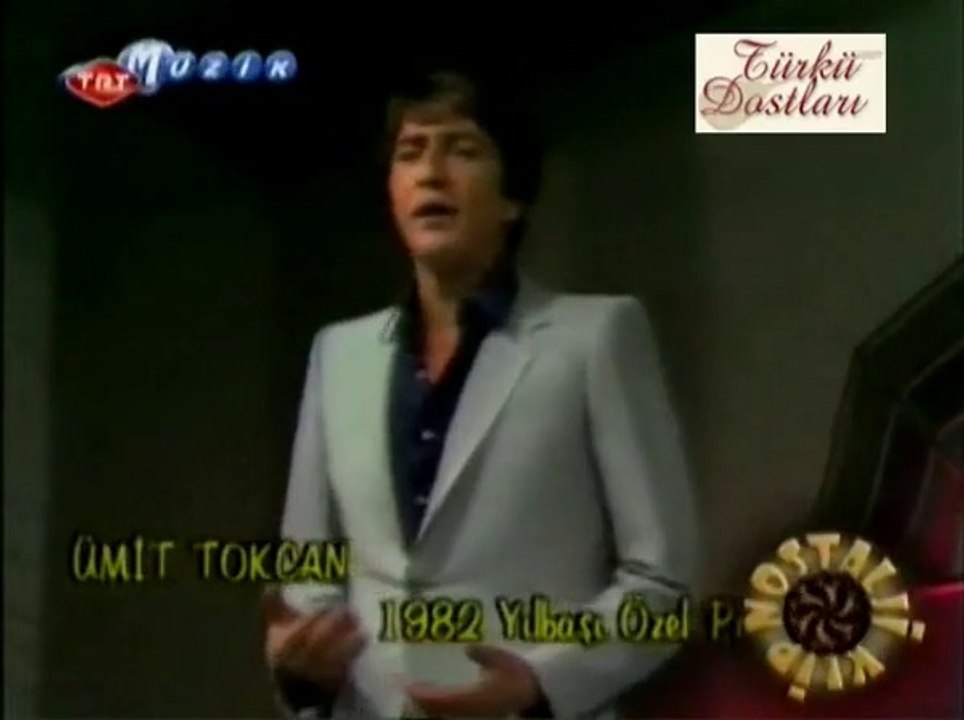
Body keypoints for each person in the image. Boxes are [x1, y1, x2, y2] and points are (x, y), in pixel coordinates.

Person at [263, 67, 699, 719]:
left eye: (462, 149)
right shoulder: (338, 354)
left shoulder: (596, 337)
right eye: (411, 152)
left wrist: (541, 684)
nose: (431, 173)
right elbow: (309, 574)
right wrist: (305, 667)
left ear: (512, 198)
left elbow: (662, 583)